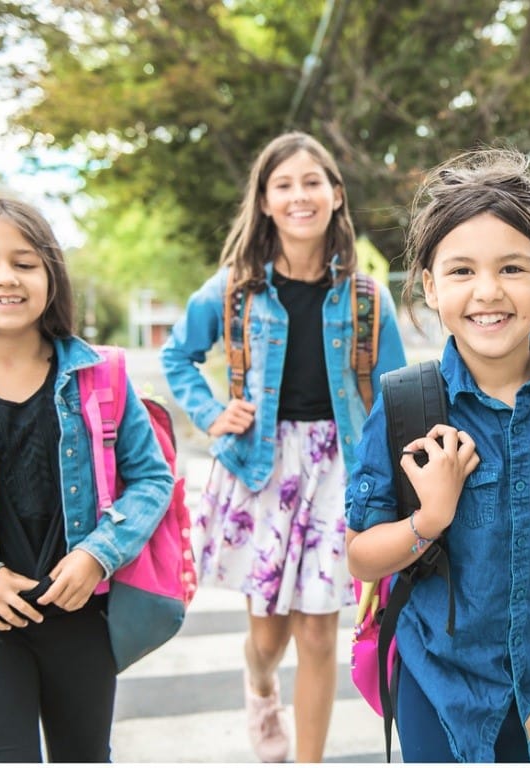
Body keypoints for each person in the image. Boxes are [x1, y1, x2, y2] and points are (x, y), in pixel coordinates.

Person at [344, 148, 530, 763]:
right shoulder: (407, 405)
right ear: (429, 286)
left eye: (511, 268)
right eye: (460, 271)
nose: (487, 291)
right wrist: (430, 518)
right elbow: (363, 558)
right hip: (436, 676)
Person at [160, 131, 407, 763]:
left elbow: (395, 396)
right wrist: (214, 412)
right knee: (268, 639)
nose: (300, 196)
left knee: (320, 634)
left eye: (311, 182)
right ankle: (261, 682)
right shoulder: (234, 291)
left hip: (338, 472)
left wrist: (396, 487)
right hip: (259, 468)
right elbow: (177, 354)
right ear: (266, 201)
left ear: (336, 195)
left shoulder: (366, 298)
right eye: (284, 185)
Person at [0, 197, 174, 762]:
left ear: (51, 277)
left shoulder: (102, 374)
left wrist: (98, 554)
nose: (5, 278)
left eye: (25, 263)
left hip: (83, 616)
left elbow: (153, 478)